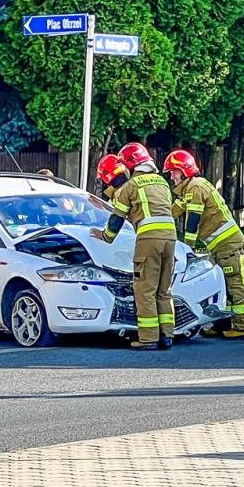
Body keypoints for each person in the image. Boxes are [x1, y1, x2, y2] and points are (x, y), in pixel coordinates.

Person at [90, 143, 176, 349]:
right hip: (170, 239)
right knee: (163, 291)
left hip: (149, 240)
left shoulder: (131, 186)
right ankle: (167, 335)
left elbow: (116, 219)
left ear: (130, 164)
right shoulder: (162, 183)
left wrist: (104, 236)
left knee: (145, 289)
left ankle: (148, 338)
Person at [163, 149, 244, 339]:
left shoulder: (196, 187)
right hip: (220, 245)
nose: (171, 175)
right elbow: (172, 213)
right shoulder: (190, 189)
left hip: (227, 244)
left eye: (174, 171)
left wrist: (187, 246)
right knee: (220, 284)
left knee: (233, 283)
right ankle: (222, 324)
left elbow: (192, 219)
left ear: (184, 170)